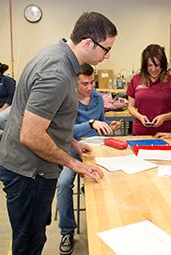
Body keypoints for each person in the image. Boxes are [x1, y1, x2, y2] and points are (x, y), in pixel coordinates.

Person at [0, 12, 117, 255]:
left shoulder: (56, 54)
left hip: (29, 167)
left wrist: (70, 141)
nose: (108, 55)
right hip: (28, 172)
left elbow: (45, 119)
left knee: (33, 233)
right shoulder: (58, 73)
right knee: (28, 241)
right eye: (106, 49)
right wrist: (74, 163)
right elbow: (31, 135)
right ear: (87, 43)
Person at [57, 63, 120, 255]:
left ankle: (111, 223)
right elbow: (65, 131)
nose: (90, 87)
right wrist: (91, 124)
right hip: (73, 150)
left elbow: (101, 122)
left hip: (96, 147)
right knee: (63, 183)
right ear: (74, 83)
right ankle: (67, 231)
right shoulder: (66, 100)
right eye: (85, 83)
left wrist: (109, 126)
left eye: (92, 82)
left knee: (116, 176)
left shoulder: (97, 99)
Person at [126, 44, 171, 135]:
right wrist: (140, 116)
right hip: (141, 132)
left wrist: (164, 117)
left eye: (157, 65)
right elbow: (131, 107)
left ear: (163, 64)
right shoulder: (136, 79)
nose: (153, 69)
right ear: (145, 65)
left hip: (166, 133)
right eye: (150, 65)